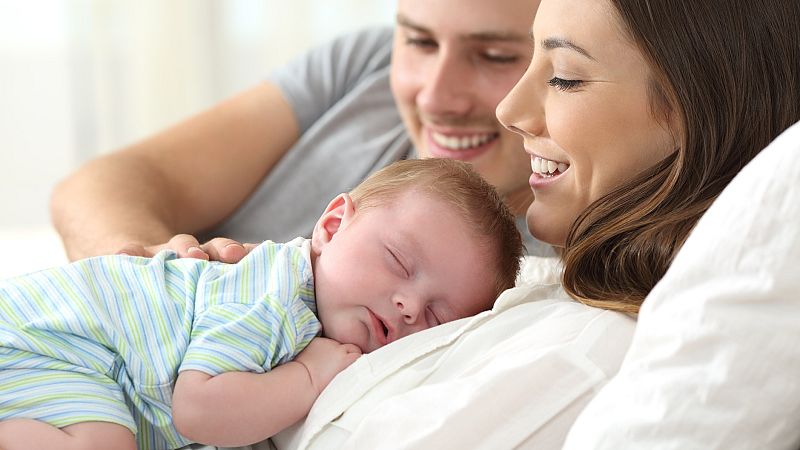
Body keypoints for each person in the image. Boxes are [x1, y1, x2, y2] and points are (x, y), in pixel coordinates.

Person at [254, 0, 799, 448]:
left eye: (562, 78)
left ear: (699, 113)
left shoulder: (585, 353)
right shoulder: (545, 293)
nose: (509, 109)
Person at [0, 159, 525, 450]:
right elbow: (200, 408)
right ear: (332, 225)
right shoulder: (271, 297)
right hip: (42, 344)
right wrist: (309, 380)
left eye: (438, 314)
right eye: (397, 261)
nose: (409, 305)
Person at [49, 0, 551, 262]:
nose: (435, 98)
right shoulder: (365, 65)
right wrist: (147, 268)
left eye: (495, 56)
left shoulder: (566, 267)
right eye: (419, 41)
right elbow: (100, 186)